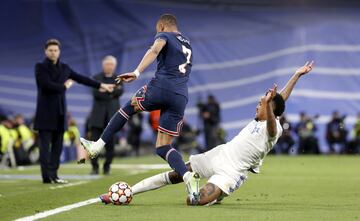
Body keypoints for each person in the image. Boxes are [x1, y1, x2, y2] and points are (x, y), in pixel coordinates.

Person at [99, 61, 314, 206]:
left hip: (231, 172)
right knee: (178, 172)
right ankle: (128, 193)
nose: (258, 106)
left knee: (194, 201)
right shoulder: (264, 116)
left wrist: (267, 103)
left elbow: (273, 116)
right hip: (219, 154)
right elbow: (281, 99)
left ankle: (213, 195)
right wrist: (296, 75)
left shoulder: (273, 128)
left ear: (270, 109)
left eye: (262, 104)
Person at [80, 14, 200, 200]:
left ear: (161, 26)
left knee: (129, 107)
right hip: (181, 95)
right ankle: (188, 177)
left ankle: (97, 146)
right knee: (162, 147)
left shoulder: (164, 36)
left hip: (162, 86)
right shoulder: (187, 43)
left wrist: (136, 72)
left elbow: (155, 50)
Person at [34, 39, 114, 184]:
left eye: (55, 50)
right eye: (50, 50)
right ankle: (46, 176)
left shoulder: (65, 68)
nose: (53, 53)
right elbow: (46, 85)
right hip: (45, 114)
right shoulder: (40, 67)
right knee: (45, 147)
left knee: (58, 146)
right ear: (46, 51)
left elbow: (81, 78)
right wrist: (64, 87)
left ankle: (54, 174)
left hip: (60, 113)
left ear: (59, 52)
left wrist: (101, 85)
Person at [88, 55, 124, 175]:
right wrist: (112, 91)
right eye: (107, 64)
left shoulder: (118, 78)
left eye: (111, 64)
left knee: (111, 144)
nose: (109, 66)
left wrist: (105, 90)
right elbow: (95, 93)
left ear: (114, 66)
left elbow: (119, 92)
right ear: (103, 65)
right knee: (93, 143)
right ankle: (94, 167)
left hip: (112, 116)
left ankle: (107, 167)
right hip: (97, 116)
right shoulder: (96, 78)